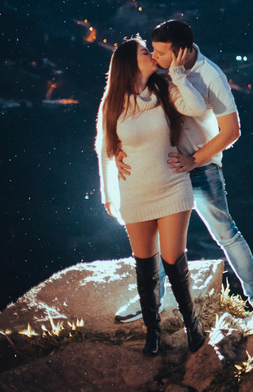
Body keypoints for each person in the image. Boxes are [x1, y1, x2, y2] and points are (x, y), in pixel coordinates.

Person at [113, 19, 253, 327]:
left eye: (161, 53)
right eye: (153, 51)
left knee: (224, 232)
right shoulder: (158, 69)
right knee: (161, 237)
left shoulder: (210, 75)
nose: (154, 57)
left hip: (199, 166)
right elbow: (128, 104)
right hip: (164, 166)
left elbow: (232, 131)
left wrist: (195, 159)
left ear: (182, 51)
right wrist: (118, 149)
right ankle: (152, 297)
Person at [97, 38, 207, 355]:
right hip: (135, 193)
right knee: (145, 265)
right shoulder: (113, 102)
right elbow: (105, 151)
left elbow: (197, 107)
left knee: (173, 260)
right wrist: (108, 195)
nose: (152, 54)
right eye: (145, 52)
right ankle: (152, 334)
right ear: (130, 63)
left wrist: (178, 74)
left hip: (173, 185)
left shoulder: (165, 88)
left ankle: (193, 328)